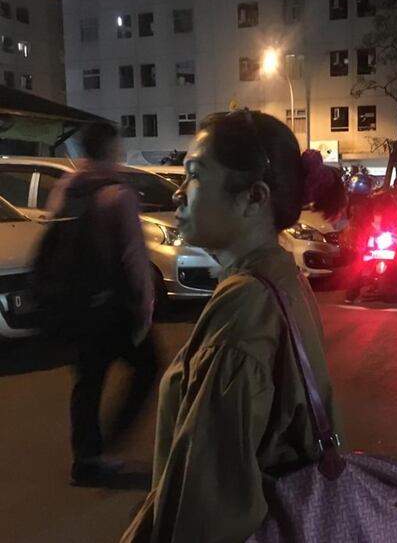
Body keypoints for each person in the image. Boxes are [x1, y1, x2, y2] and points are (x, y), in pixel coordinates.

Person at [121, 111, 347, 542]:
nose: (179, 196)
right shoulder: (280, 277)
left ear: (253, 197)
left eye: (195, 175)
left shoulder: (245, 305)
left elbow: (209, 505)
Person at [45, 122, 158, 486]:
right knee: (149, 365)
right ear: (109, 150)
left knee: (87, 382)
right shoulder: (118, 195)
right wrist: (145, 305)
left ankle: (87, 459)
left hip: (75, 306)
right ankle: (108, 444)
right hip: (112, 310)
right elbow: (134, 256)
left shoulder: (65, 188)